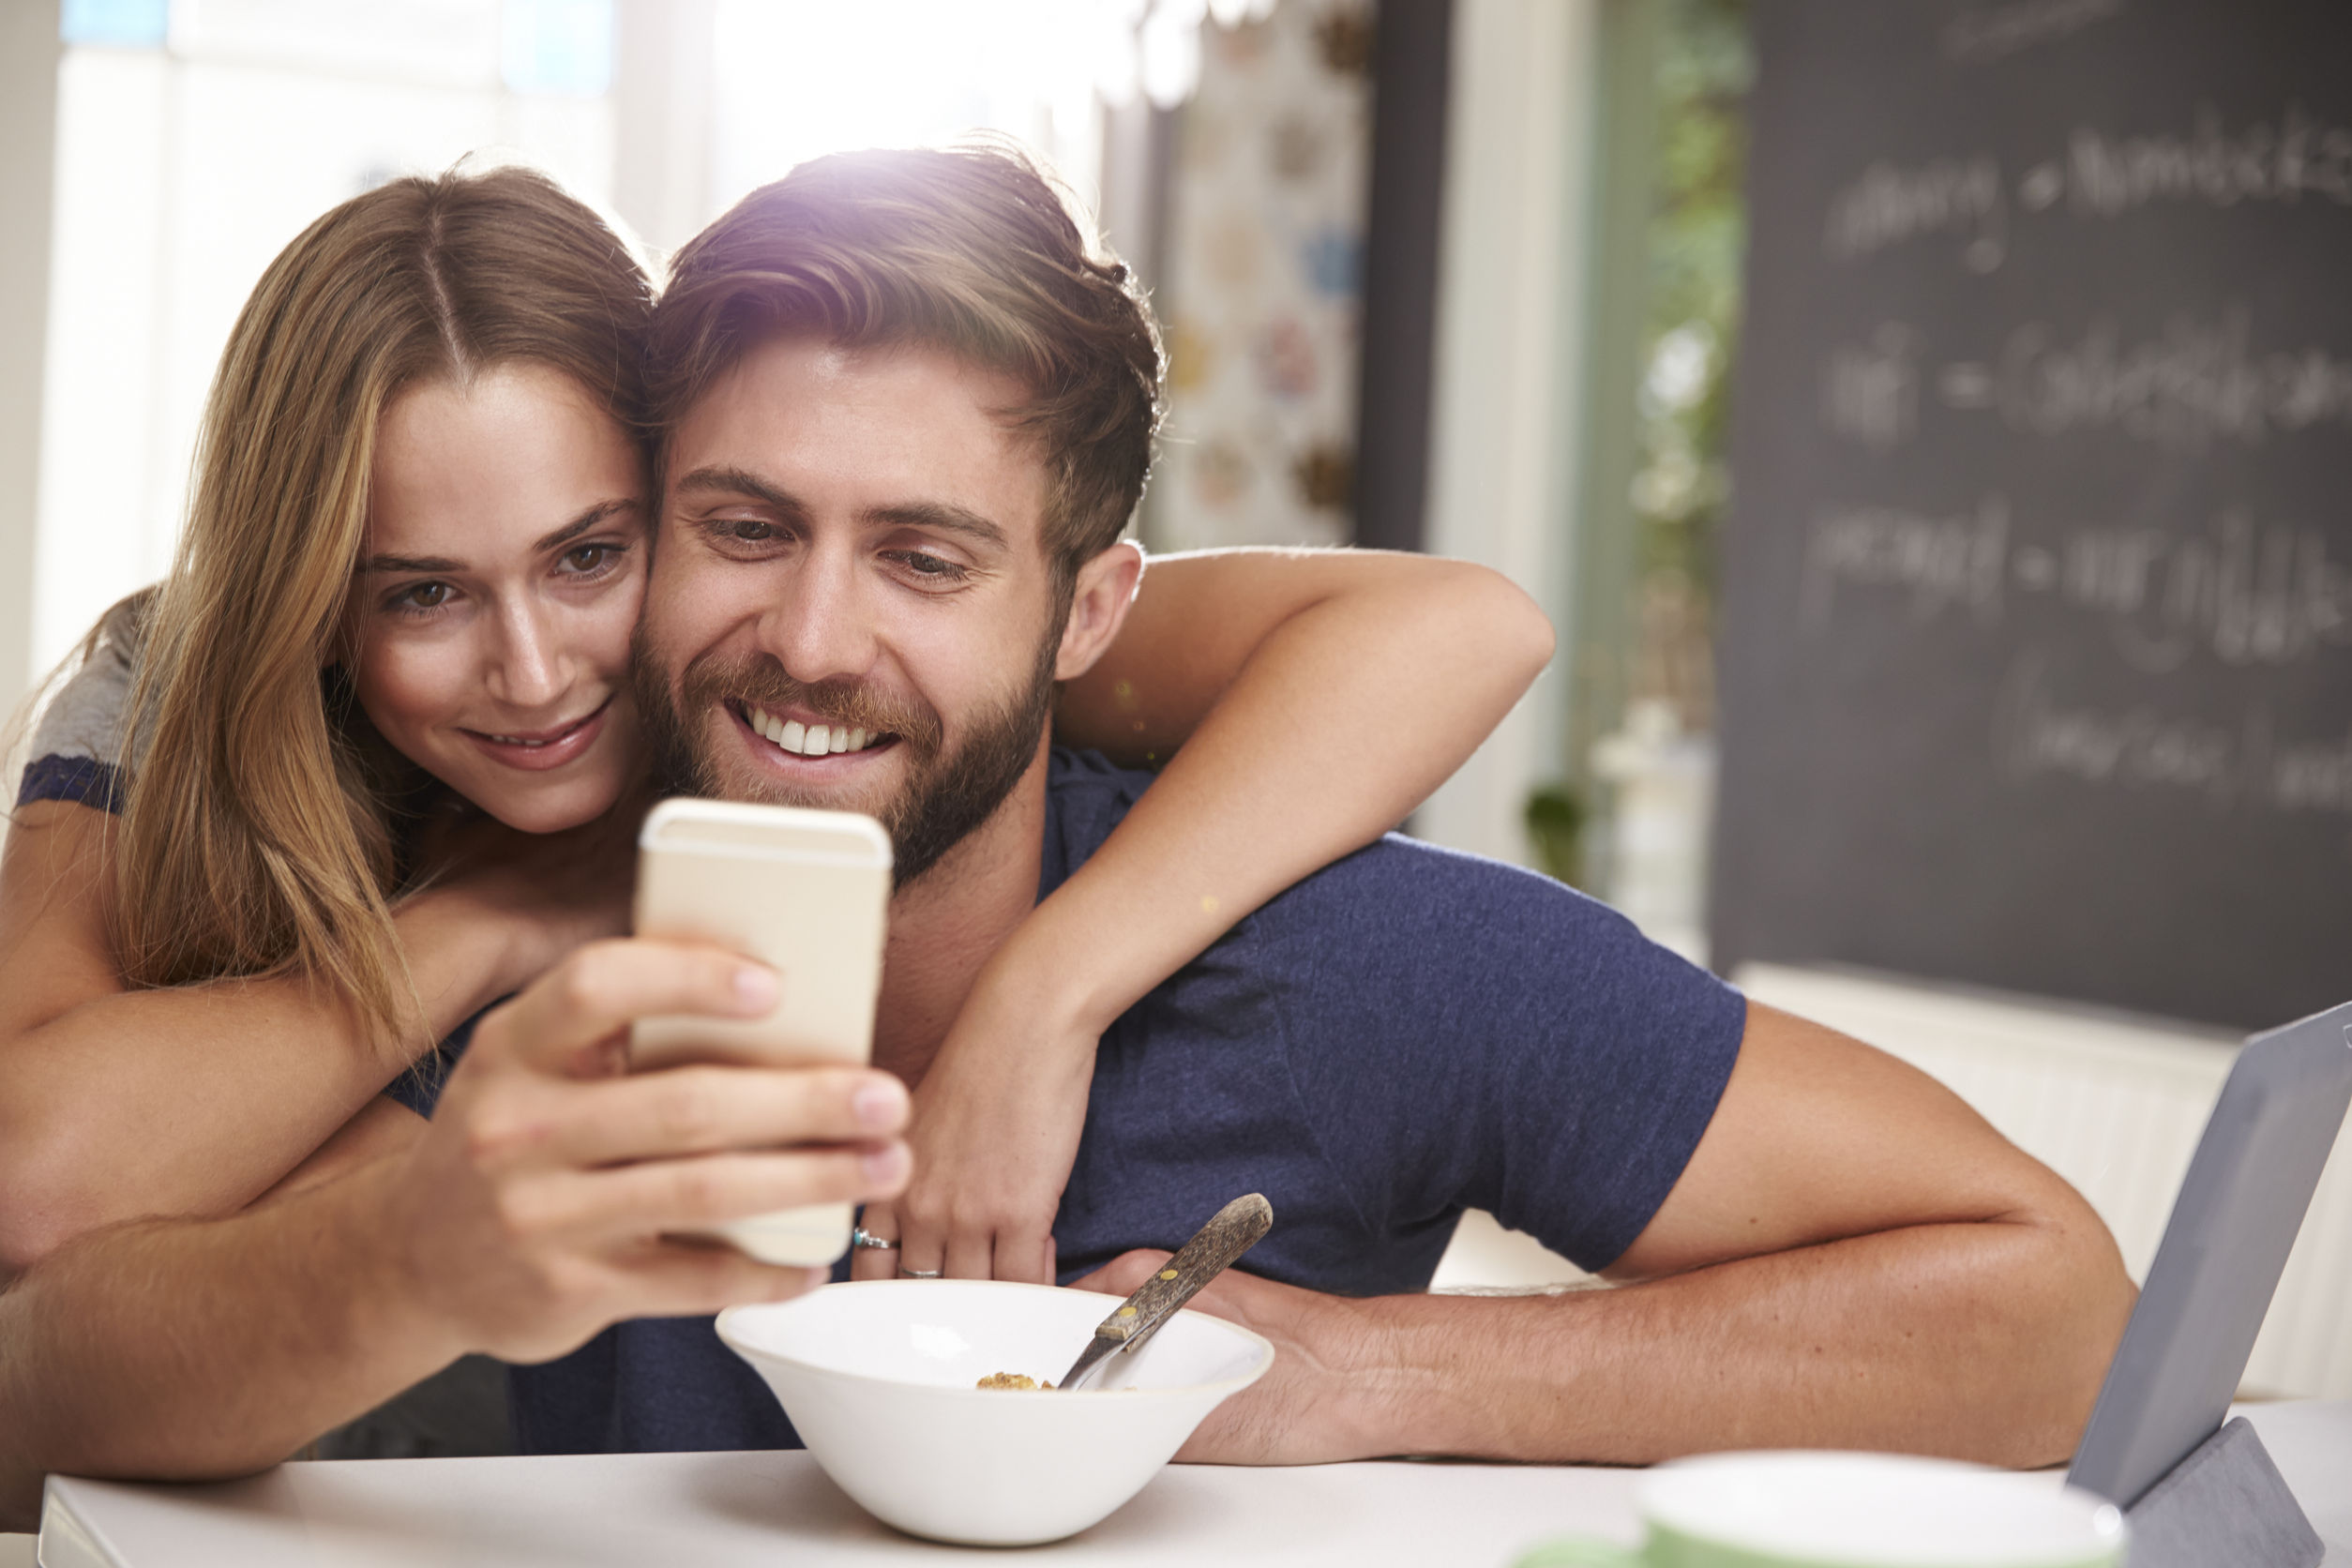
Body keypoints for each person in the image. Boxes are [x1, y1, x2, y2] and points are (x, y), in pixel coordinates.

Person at [0, 144, 2134, 1527]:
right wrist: (417, 1248)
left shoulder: (1355, 961)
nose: (809, 638)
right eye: (742, 530)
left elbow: (2056, 1307)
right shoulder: (574, 915)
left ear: (1093, 609)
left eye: (925, 556)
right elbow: (63, 1360)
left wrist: (1373, 1374)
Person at [0, 161, 1551, 1300]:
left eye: (592, 554)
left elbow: (1464, 629)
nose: (534, 674)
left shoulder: (861, 632)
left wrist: (1042, 1001)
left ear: (676, 486)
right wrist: (497, 913)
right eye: (420, 592)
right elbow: (37, 1180)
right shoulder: (184, 679)